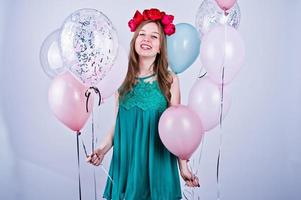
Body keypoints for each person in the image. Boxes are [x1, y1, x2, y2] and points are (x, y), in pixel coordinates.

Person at [87, 8, 200, 200]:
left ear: (160, 47)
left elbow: (177, 130)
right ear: (134, 41)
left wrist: (184, 167)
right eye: (142, 34)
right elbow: (117, 124)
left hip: (157, 164)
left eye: (154, 36)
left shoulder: (170, 80)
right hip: (127, 163)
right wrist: (102, 149)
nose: (146, 39)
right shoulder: (120, 79)